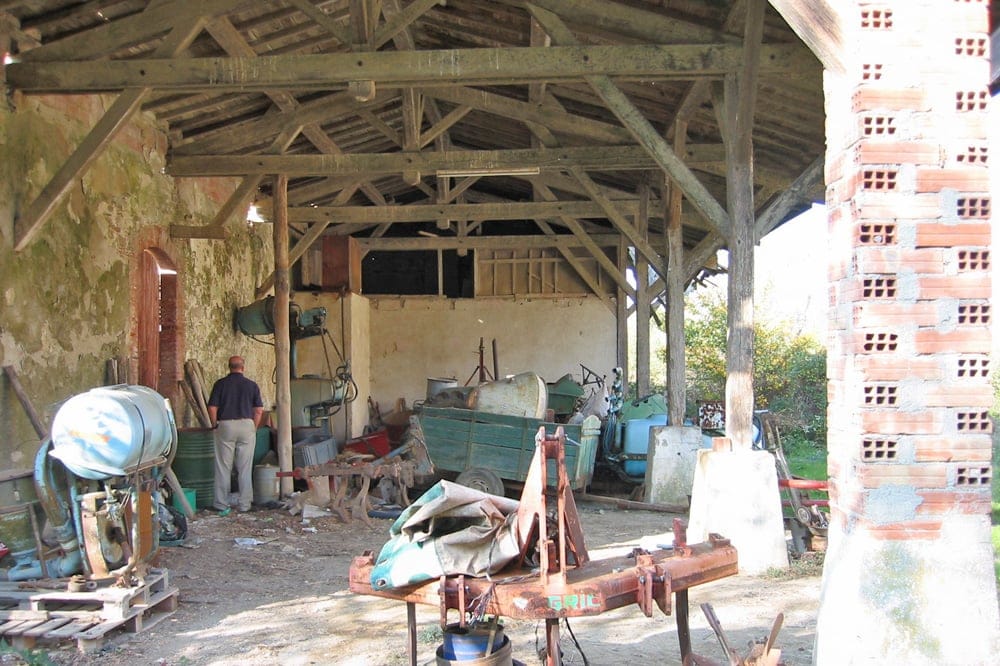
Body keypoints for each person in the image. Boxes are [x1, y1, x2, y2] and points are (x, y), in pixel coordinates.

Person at [207, 355, 264, 515]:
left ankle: (220, 504)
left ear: (229, 367)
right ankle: (245, 504)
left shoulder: (220, 384)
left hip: (226, 424)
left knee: (223, 467)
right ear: (242, 367)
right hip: (246, 424)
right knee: (244, 467)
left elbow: (212, 408)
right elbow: (259, 410)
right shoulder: (252, 385)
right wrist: (254, 426)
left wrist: (215, 424)